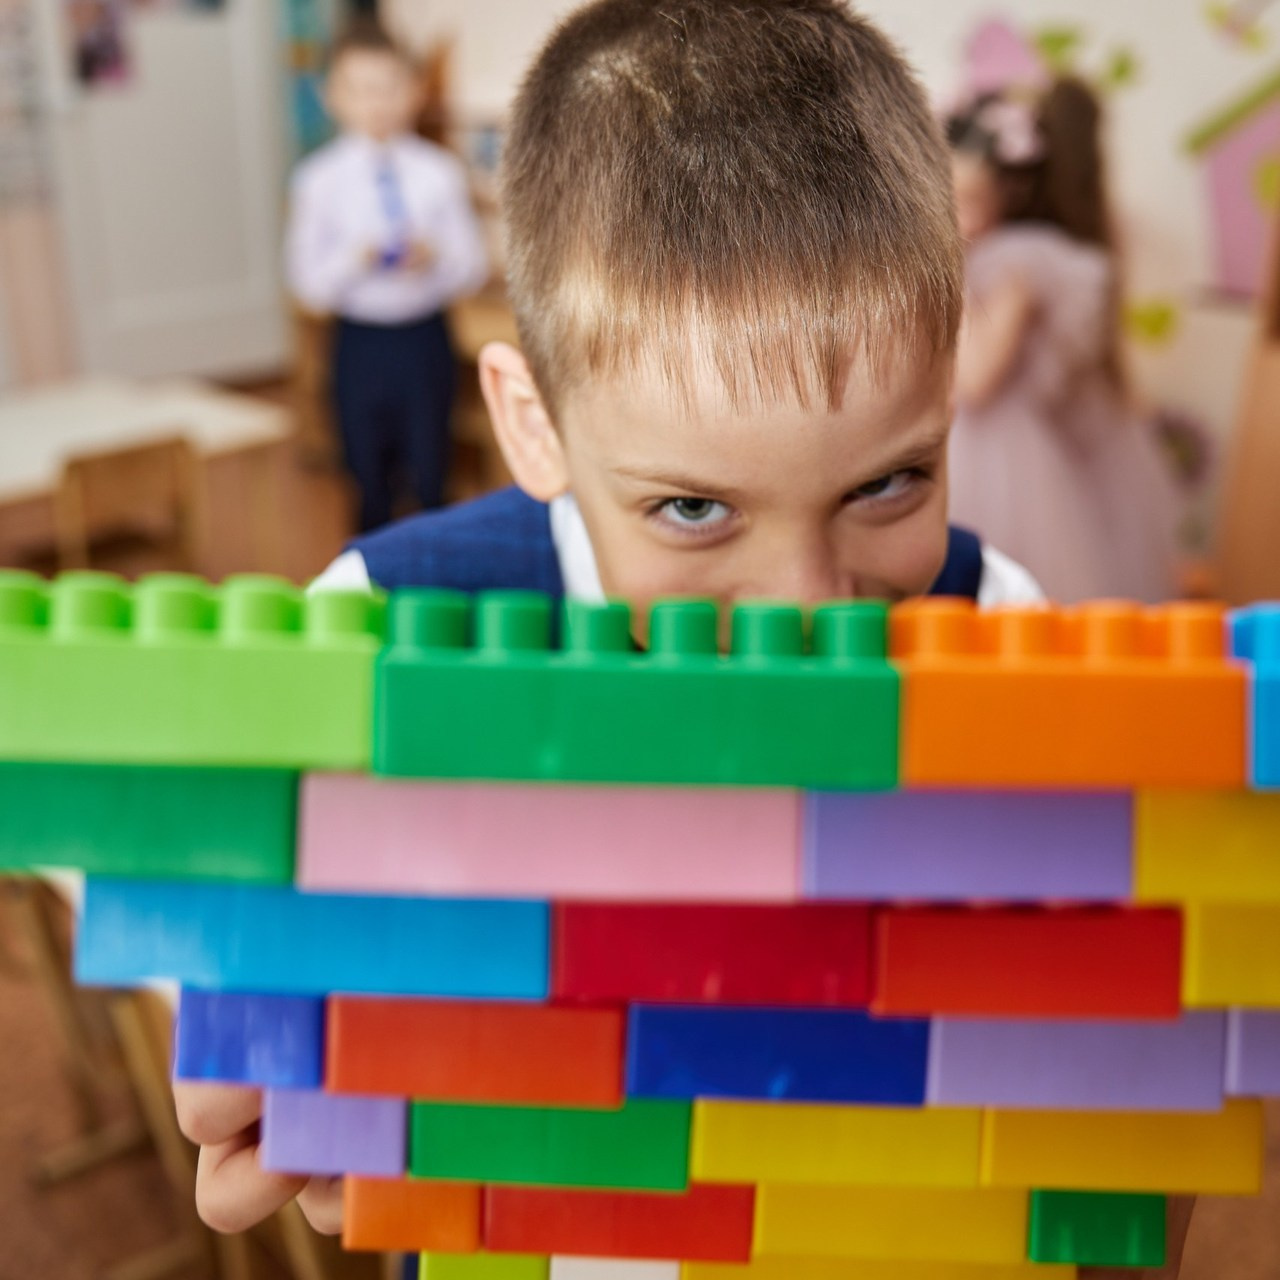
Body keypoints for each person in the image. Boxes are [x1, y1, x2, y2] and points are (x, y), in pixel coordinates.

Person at [175, 0, 1054, 1247]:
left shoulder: (999, 621)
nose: (804, 612)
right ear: (531, 423)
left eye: (886, 483)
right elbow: (245, 1037)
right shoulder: (380, 634)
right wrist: (287, 1044)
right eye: (693, 507)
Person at [947, 79, 1180, 603]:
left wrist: (947, 278)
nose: (959, 216)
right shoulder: (992, 263)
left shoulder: (1014, 265)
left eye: (972, 200)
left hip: (1001, 456)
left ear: (1006, 197)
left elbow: (977, 379)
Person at [286, 19, 489, 532]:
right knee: (365, 474)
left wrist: (435, 256)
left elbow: (471, 268)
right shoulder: (317, 181)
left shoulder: (439, 172)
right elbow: (307, 286)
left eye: (389, 87)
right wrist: (356, 258)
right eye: (359, 89)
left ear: (415, 91)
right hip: (359, 345)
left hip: (425, 339)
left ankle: (436, 573)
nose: (376, 103)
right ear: (332, 96)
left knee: (431, 470)